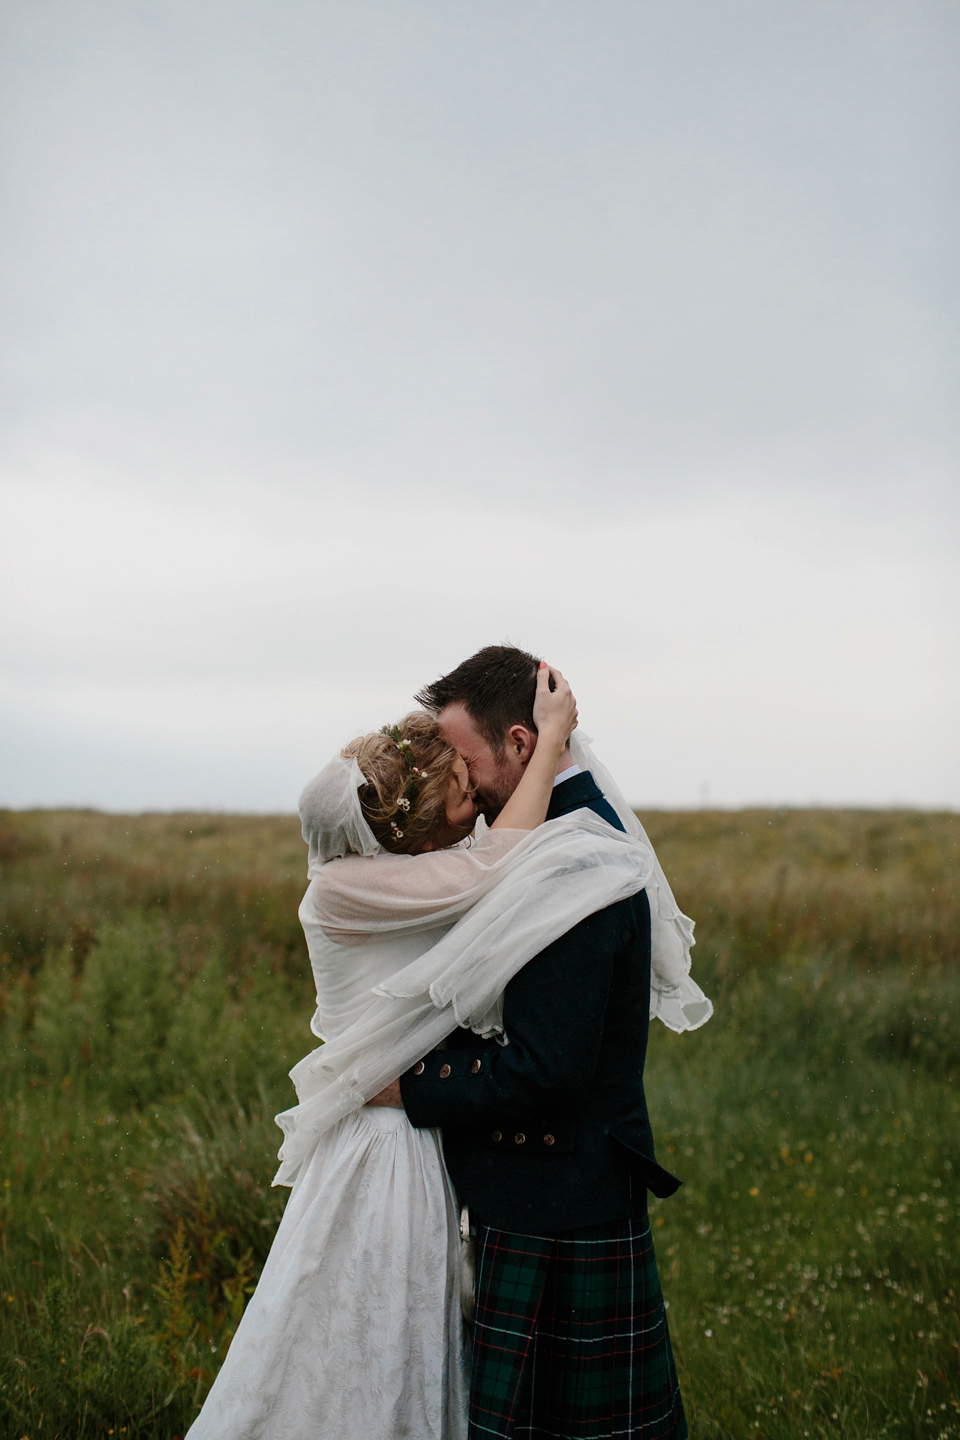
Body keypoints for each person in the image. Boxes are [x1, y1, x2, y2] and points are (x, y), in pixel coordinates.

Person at [186, 667, 598, 1440]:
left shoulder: (402, 878)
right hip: (379, 1151)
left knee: (390, 1334)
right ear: (410, 814)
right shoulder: (345, 889)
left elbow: (473, 870)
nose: (475, 810)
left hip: (414, 1133)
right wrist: (549, 746)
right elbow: (491, 868)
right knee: (358, 1332)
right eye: (463, 798)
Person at [373, 643, 694, 1440]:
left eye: (465, 757)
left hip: (562, 1212)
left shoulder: (575, 860)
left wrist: (407, 1085)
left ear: (523, 744)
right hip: (548, 1197)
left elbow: (543, 1067)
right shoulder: (548, 832)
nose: (458, 779)